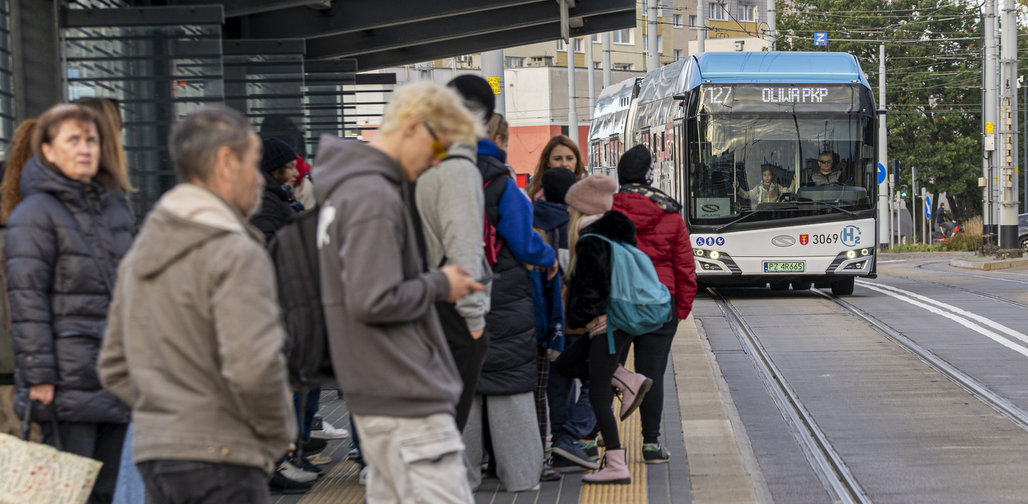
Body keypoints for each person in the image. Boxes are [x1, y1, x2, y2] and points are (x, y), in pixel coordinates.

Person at [98, 106, 296, 504]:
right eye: (254, 165)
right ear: (226, 162)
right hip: (225, 454)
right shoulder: (234, 251)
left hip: (158, 453)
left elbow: (113, 367)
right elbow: (254, 366)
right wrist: (278, 435)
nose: (259, 180)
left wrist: (169, 414)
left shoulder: (142, 252)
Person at [314, 81, 484, 503]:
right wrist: (441, 283)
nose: (435, 162)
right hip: (402, 390)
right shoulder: (373, 196)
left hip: (375, 386)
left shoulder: (345, 188)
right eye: (439, 148)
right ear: (413, 127)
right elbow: (374, 298)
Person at [7, 104, 135, 504]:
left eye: (92, 140)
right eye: (73, 140)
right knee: (69, 491)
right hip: (65, 381)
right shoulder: (35, 213)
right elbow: (27, 301)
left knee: (105, 491)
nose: (85, 149)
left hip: (114, 376)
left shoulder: (114, 206)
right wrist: (40, 376)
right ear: (47, 150)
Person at [462, 102, 557, 493]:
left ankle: (460, 481)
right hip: (502, 295)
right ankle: (519, 478)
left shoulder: (443, 174)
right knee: (510, 390)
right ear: (500, 139)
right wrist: (548, 257)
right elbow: (523, 240)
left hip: (454, 291)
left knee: (464, 390)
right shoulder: (503, 183)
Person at [553, 174, 652, 484]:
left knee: (597, 394)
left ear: (581, 209)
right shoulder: (614, 235)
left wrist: (576, 314)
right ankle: (625, 378)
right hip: (618, 323)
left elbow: (591, 294)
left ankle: (616, 464)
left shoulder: (590, 240)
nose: (569, 214)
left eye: (572, 208)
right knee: (567, 364)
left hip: (606, 327)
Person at [413, 75, 491, 435]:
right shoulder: (458, 170)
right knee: (446, 425)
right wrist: (475, 323)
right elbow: (463, 249)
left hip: (429, 303)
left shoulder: (430, 165)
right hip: (454, 311)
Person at [611, 144, 697, 464]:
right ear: (649, 175)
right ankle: (651, 444)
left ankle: (595, 437)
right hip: (661, 303)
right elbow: (684, 264)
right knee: (652, 374)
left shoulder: (608, 208)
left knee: (610, 368)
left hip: (617, 302)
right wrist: (682, 305)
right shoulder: (670, 212)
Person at [535, 168, 601, 474]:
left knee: (557, 386)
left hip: (546, 320)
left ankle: (562, 444)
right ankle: (570, 436)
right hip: (579, 319)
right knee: (599, 380)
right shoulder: (575, 225)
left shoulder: (531, 222)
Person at [251, 137, 302, 243]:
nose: (297, 173)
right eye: (291, 167)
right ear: (274, 169)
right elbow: (266, 243)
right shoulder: (265, 201)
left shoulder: (277, 196)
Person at [525, 135, 587, 201]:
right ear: (547, 162)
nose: (564, 164)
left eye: (569, 158)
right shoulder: (533, 195)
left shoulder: (588, 193)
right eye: (558, 159)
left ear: (577, 161)